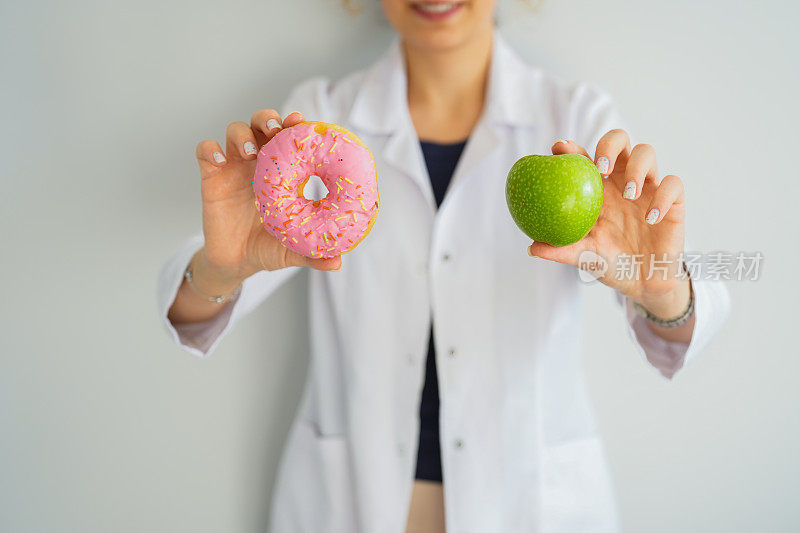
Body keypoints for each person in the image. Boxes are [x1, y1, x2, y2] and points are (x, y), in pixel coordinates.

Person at [158, 1, 730, 531]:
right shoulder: (322, 116)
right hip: (352, 501)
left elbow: (678, 334)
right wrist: (222, 268)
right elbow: (190, 318)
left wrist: (660, 290)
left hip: (530, 503)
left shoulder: (575, 116)